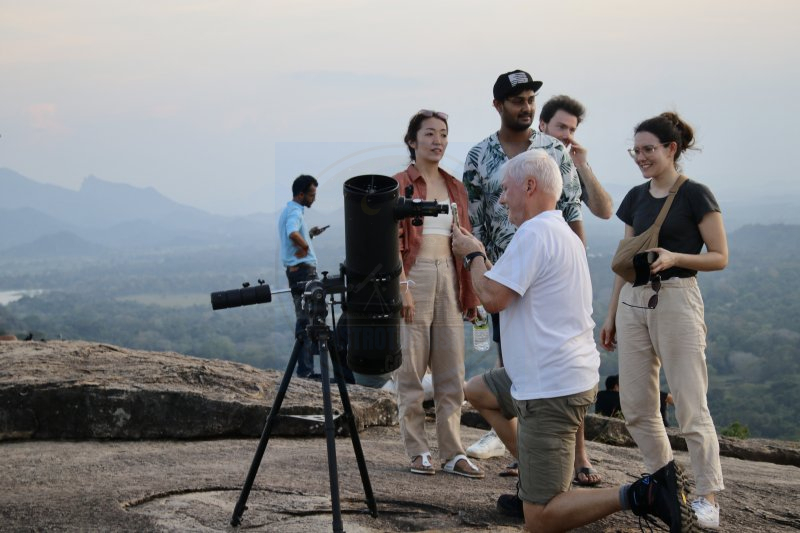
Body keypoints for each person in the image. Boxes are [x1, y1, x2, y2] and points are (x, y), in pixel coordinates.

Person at [454, 149, 694, 532]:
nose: (501, 200)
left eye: (505, 190)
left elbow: (493, 298)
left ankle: (642, 494)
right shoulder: (559, 229)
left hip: (549, 387)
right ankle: (533, 477)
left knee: (539, 520)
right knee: (478, 392)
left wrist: (473, 256)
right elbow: (509, 287)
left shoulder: (535, 233)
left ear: (529, 186)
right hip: (551, 372)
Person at [462, 71, 599, 488]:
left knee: (555, 361)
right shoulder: (479, 155)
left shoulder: (553, 150)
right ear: (498, 105)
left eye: (530, 99)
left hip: (546, 273)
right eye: (517, 100)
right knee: (513, 362)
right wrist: (478, 280)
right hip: (502, 275)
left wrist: (576, 265)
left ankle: (577, 457)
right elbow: (475, 220)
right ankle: (532, 461)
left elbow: (572, 209)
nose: (526, 106)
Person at [600, 112, 727, 530]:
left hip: (676, 297)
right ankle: (667, 483)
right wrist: (611, 313)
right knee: (637, 406)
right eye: (636, 151)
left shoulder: (695, 194)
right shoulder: (636, 197)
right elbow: (624, 261)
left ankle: (708, 495)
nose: (641, 157)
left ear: (671, 149)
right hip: (633, 301)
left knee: (690, 402)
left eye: (648, 149)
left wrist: (675, 258)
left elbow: (719, 256)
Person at [392, 109, 483, 478]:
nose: (438, 141)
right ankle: (418, 451)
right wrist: (401, 286)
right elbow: (389, 240)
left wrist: (471, 294)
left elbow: (463, 241)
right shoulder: (399, 184)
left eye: (443, 134)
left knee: (451, 371)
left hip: (449, 274)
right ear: (412, 141)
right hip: (413, 276)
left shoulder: (454, 186)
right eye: (429, 133)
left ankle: (452, 453)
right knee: (410, 370)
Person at [278, 174, 326, 379]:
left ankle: (307, 369)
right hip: (303, 272)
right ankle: (305, 371)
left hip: (299, 271)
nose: (314, 198)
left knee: (309, 318)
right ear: (300, 194)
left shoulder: (290, 210)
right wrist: (305, 246)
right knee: (307, 320)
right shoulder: (295, 212)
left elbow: (294, 234)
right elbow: (292, 232)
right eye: (311, 194)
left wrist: (310, 234)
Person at [538, 94, 613, 220]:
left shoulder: (572, 168)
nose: (567, 135)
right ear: (542, 125)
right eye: (561, 127)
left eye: (572, 130)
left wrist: (582, 166)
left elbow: (605, 212)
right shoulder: (522, 158)